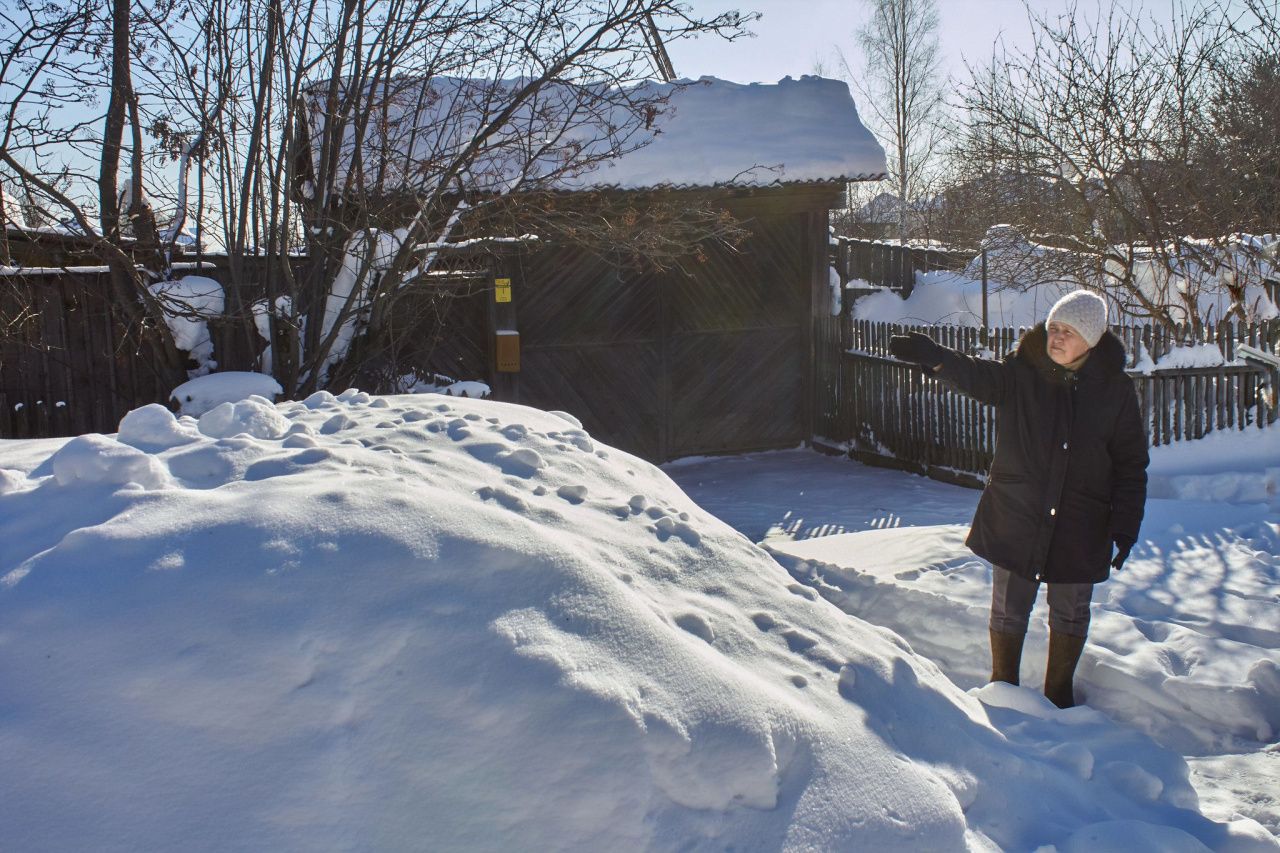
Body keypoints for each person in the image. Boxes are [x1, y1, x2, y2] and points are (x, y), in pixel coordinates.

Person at [888, 290, 1148, 708]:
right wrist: (937, 358)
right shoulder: (1023, 371)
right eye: (1053, 328)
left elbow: (1131, 463)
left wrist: (1125, 525)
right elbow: (979, 376)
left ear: (1091, 339)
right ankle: (1002, 685)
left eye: (1068, 332)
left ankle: (1059, 695)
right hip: (1017, 513)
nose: (1056, 337)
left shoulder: (1115, 390)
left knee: (1071, 610)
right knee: (1009, 606)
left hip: (1082, 520)